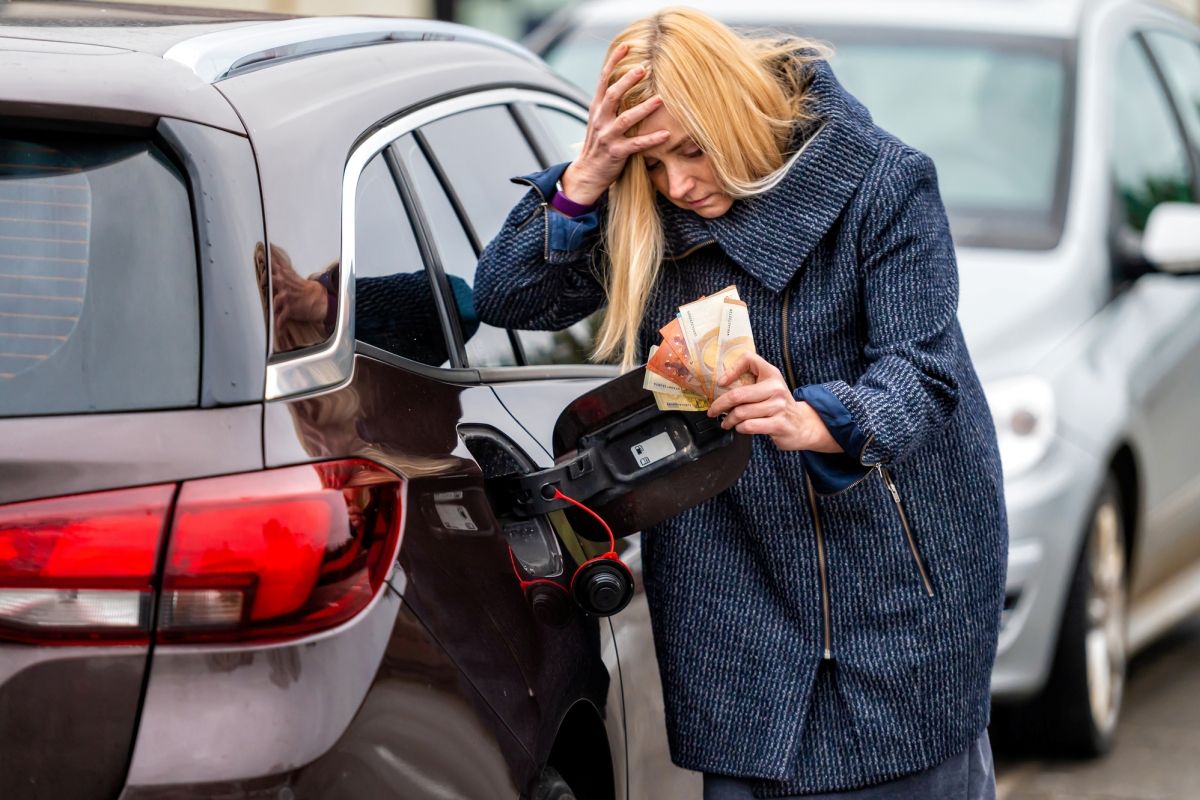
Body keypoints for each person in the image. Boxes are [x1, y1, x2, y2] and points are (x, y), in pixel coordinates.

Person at [474, 8, 1006, 799]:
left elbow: (923, 373)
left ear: (738, 114)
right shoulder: (647, 209)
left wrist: (815, 417)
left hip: (891, 588)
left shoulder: (883, 183)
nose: (678, 184)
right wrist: (589, 176)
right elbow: (507, 297)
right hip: (730, 593)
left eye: (692, 150)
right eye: (651, 163)